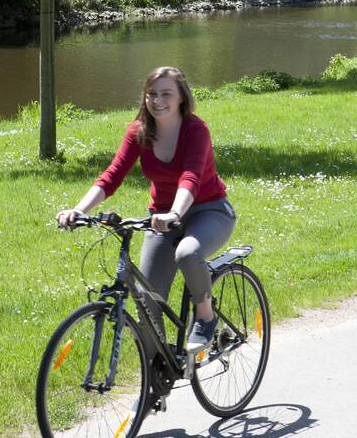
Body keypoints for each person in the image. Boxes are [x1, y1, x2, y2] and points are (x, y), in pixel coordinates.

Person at [57, 66, 236, 353]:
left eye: (166, 94)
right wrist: (78, 209)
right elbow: (112, 175)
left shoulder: (195, 130)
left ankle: (205, 316)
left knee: (188, 252)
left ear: (181, 98)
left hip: (208, 210)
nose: (157, 100)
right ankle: (157, 377)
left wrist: (175, 214)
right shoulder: (139, 131)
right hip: (161, 217)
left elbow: (190, 177)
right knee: (147, 303)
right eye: (151, 94)